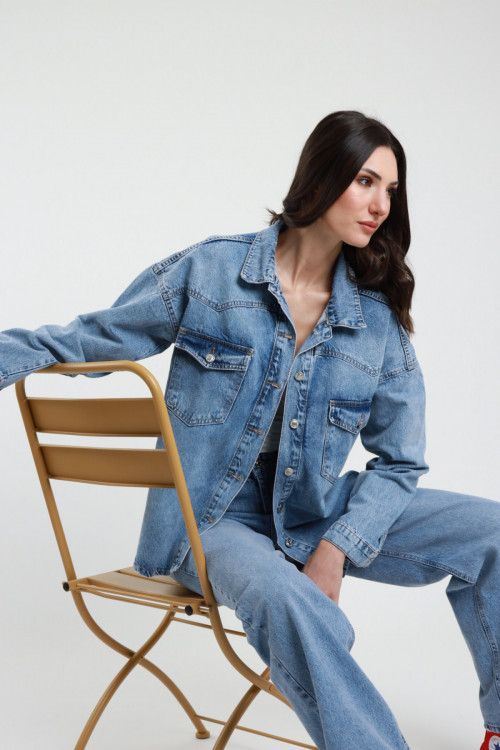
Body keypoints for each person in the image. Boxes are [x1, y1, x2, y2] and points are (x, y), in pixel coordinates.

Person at [1, 111, 499, 750]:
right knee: (284, 599)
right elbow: (90, 338)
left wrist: (337, 546)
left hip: (317, 508)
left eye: (391, 190)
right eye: (365, 181)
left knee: (491, 532)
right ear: (321, 178)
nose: (381, 205)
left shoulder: (374, 320)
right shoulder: (213, 272)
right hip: (211, 519)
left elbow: (400, 460)